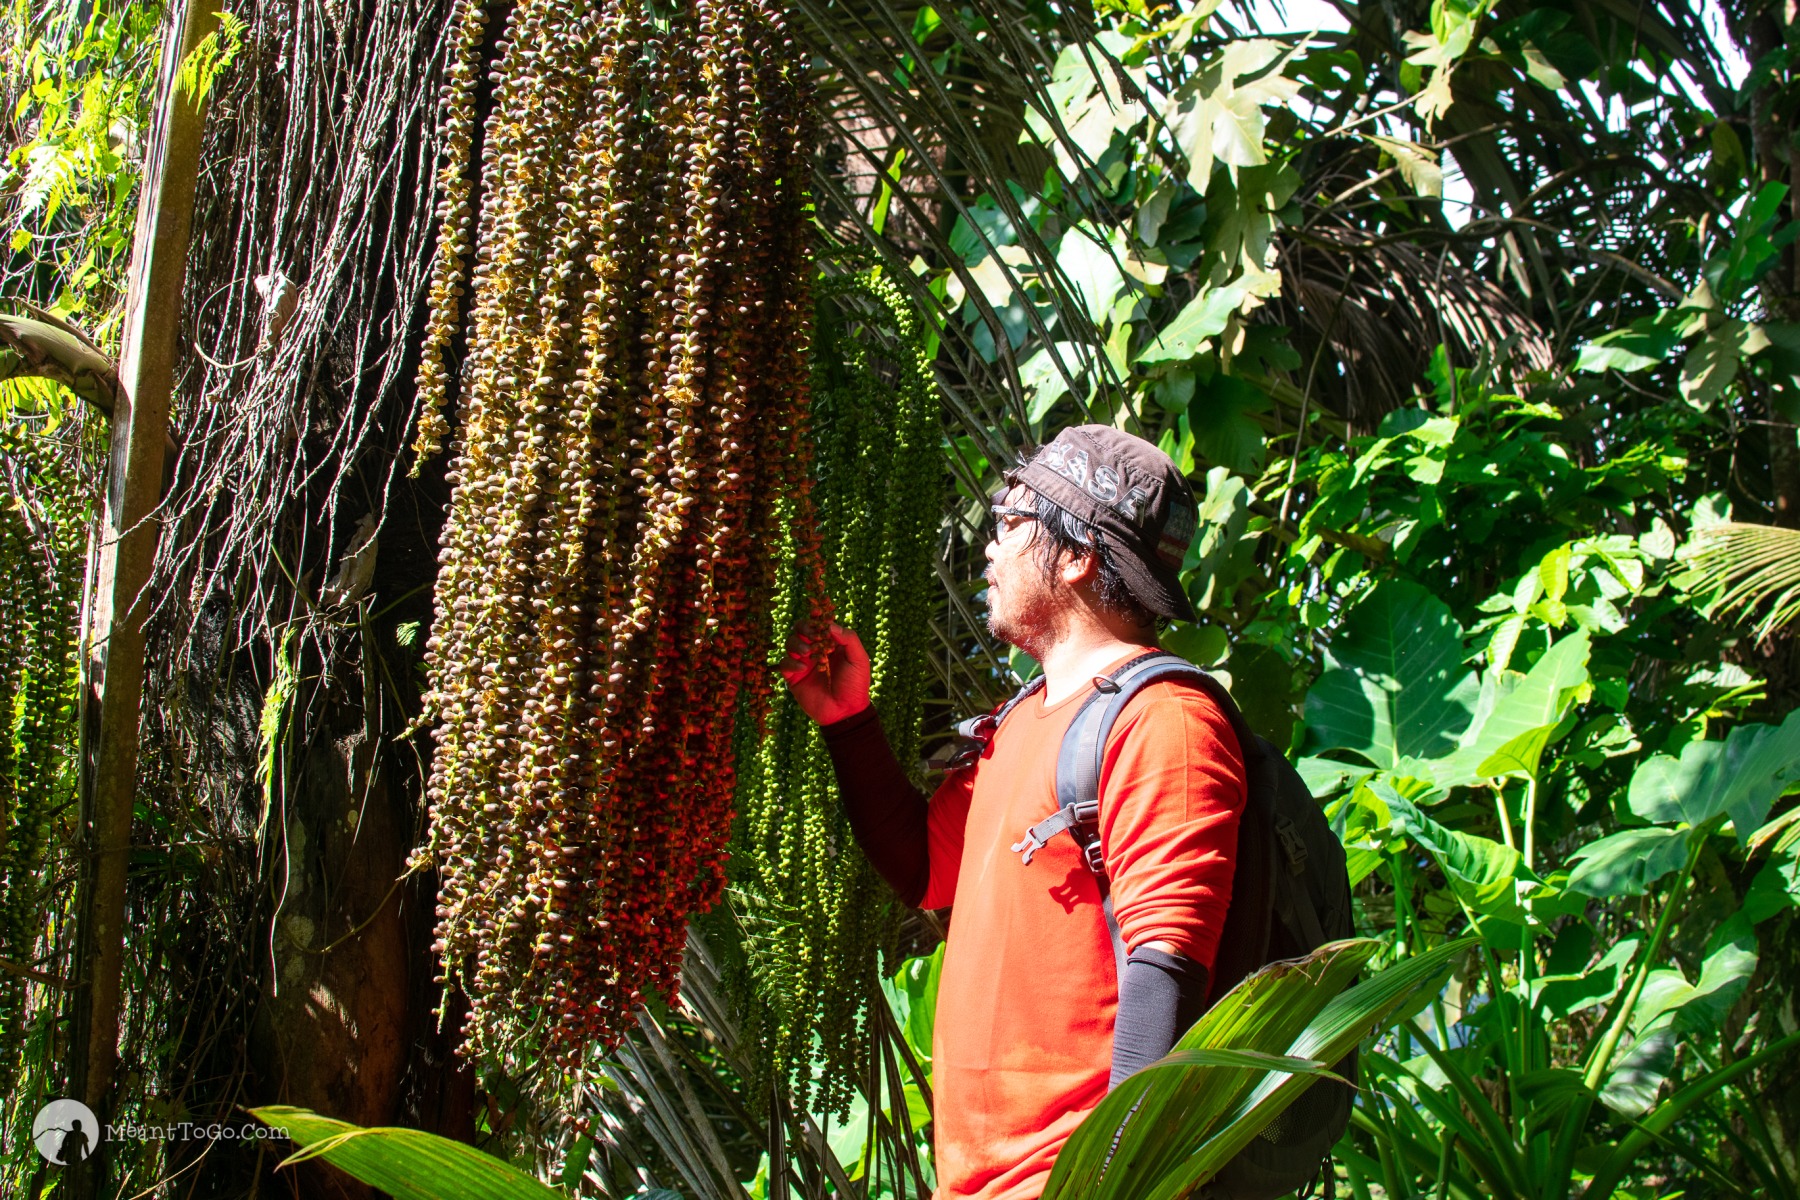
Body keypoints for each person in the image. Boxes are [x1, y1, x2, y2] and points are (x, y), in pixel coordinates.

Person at [779, 424, 1248, 1200]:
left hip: (1071, 1183)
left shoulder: (1166, 722)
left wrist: (1113, 1184)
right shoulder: (1026, 720)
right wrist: (848, 721)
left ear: (1076, 556)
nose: (989, 546)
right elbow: (927, 871)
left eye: (1011, 521)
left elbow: (1166, 971)